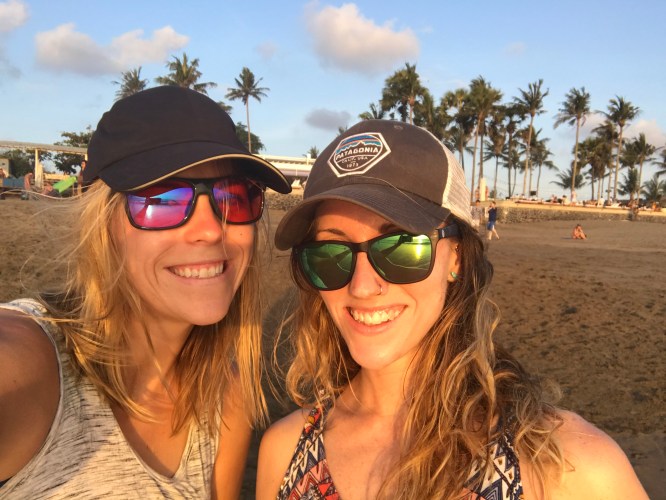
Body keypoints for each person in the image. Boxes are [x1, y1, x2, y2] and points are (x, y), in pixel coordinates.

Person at [256, 120, 646, 499]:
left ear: (456, 256)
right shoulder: (283, 452)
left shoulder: (566, 465)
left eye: (401, 248)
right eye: (329, 253)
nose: (361, 286)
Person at [0, 86, 291, 498]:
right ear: (104, 225)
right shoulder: (32, 364)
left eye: (234, 198)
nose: (211, 229)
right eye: (164, 199)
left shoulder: (225, 396)